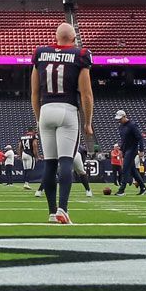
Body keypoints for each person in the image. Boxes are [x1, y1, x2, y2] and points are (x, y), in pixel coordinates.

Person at [31, 22, 94, 224]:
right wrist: (88, 122)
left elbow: (34, 92)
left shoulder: (41, 52)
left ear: (56, 37)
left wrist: (39, 117)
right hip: (67, 110)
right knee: (66, 161)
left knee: (50, 164)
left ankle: (51, 212)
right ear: (74, 38)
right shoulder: (80, 54)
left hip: (46, 109)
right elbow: (86, 93)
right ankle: (62, 209)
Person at [114, 110, 146, 195]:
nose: (119, 120)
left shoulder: (132, 125)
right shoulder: (120, 127)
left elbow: (140, 138)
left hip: (132, 149)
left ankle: (122, 190)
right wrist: (121, 150)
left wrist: (142, 150)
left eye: (120, 119)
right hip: (125, 150)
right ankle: (143, 188)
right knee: (132, 170)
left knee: (125, 168)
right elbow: (123, 140)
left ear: (125, 116)